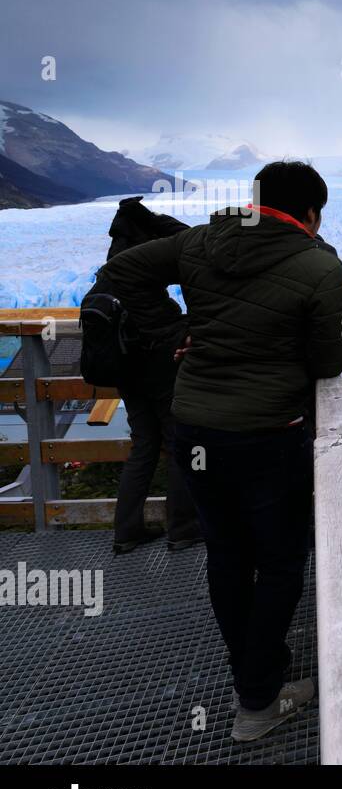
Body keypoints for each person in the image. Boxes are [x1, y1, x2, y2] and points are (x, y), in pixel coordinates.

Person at [96, 161, 342, 742]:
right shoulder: (320, 266)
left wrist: (178, 330)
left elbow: (121, 271)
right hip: (269, 435)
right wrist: (337, 320)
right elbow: (327, 362)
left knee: (229, 558)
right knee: (283, 563)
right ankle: (259, 698)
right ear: (311, 214)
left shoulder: (200, 240)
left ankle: (256, 685)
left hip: (194, 434)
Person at [87, 196, 201, 554]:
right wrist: (158, 220)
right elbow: (191, 239)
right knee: (179, 441)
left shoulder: (114, 259)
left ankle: (126, 532)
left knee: (145, 446)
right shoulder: (145, 253)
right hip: (155, 364)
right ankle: (183, 528)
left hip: (125, 369)